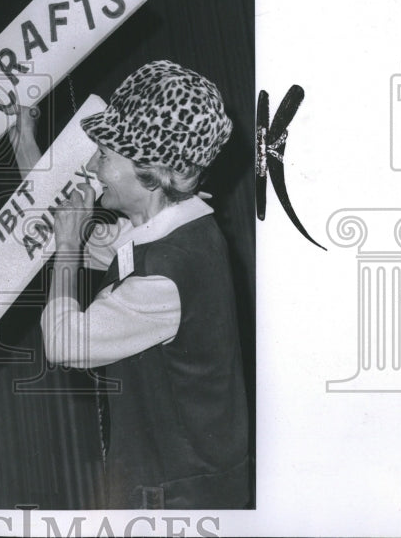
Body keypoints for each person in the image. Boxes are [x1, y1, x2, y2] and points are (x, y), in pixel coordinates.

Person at [40, 60, 250, 509]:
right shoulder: (178, 229)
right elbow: (107, 248)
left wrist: (65, 246)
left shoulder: (167, 274)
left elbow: (64, 344)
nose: (94, 166)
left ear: (150, 170)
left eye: (105, 155)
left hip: (178, 501)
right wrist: (26, 151)